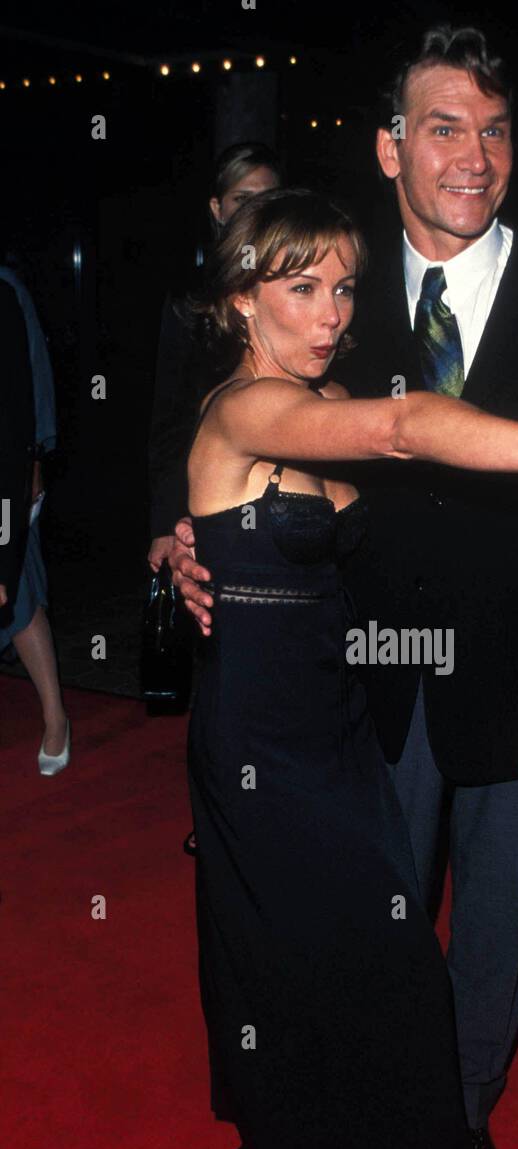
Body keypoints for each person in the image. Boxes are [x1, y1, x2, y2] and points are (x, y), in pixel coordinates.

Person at [172, 24, 518, 1149]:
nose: (474, 155)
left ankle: (461, 1114)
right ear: (390, 146)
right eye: (445, 128)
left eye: (495, 131)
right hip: (357, 686)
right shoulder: (334, 290)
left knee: (500, 925)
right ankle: (367, 1113)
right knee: (366, 925)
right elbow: (300, 447)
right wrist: (198, 543)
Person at [147, 142, 281, 852]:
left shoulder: (291, 291)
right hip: (205, 508)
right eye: (242, 199)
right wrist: (162, 523)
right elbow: (168, 426)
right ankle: (218, 816)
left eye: (267, 198)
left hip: (280, 502)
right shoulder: (189, 307)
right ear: (216, 209)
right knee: (216, 662)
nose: (255, 211)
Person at [0, 274, 68, 773]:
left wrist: (35, 461)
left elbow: (30, 386)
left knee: (17, 588)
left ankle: (55, 717)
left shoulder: (6, 289)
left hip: (6, 472)